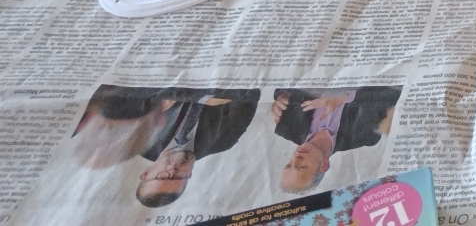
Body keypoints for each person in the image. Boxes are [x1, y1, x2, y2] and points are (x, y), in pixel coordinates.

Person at [69, 85, 259, 206]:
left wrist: (181, 94)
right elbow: (249, 91)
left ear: (146, 173)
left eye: (161, 176)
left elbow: (134, 88)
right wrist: (192, 96)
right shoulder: (224, 140)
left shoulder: (138, 137)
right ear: (189, 176)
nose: (173, 169)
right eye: (178, 176)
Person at [273, 86, 401, 192]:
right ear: (324, 165)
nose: (296, 158)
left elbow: (288, 83)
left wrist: (281, 96)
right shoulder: (365, 137)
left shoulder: (287, 127)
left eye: (289, 164)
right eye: (302, 167)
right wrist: (344, 98)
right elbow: (394, 95)